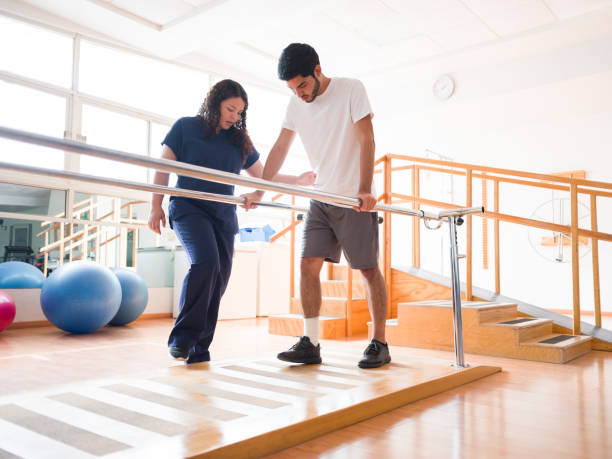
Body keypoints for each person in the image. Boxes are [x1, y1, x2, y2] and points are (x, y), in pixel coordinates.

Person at [242, 43, 390, 369]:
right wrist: (260, 192)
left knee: (367, 270)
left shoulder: (351, 89)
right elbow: (281, 146)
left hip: (353, 200)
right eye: (293, 89)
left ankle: (379, 342)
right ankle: (311, 342)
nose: (299, 94)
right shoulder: (296, 105)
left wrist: (365, 190)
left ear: (318, 70)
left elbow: (367, 139)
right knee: (308, 265)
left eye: (303, 85)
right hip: (320, 199)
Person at [148, 79, 315, 364]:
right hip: (189, 208)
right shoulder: (185, 127)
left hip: (223, 214)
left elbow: (264, 175)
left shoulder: (239, 140)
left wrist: (297, 180)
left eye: (240, 112)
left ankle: (200, 349)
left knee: (219, 280)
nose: (234, 116)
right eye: (230, 109)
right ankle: (182, 339)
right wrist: (155, 207)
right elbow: (164, 168)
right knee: (206, 264)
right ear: (215, 104)